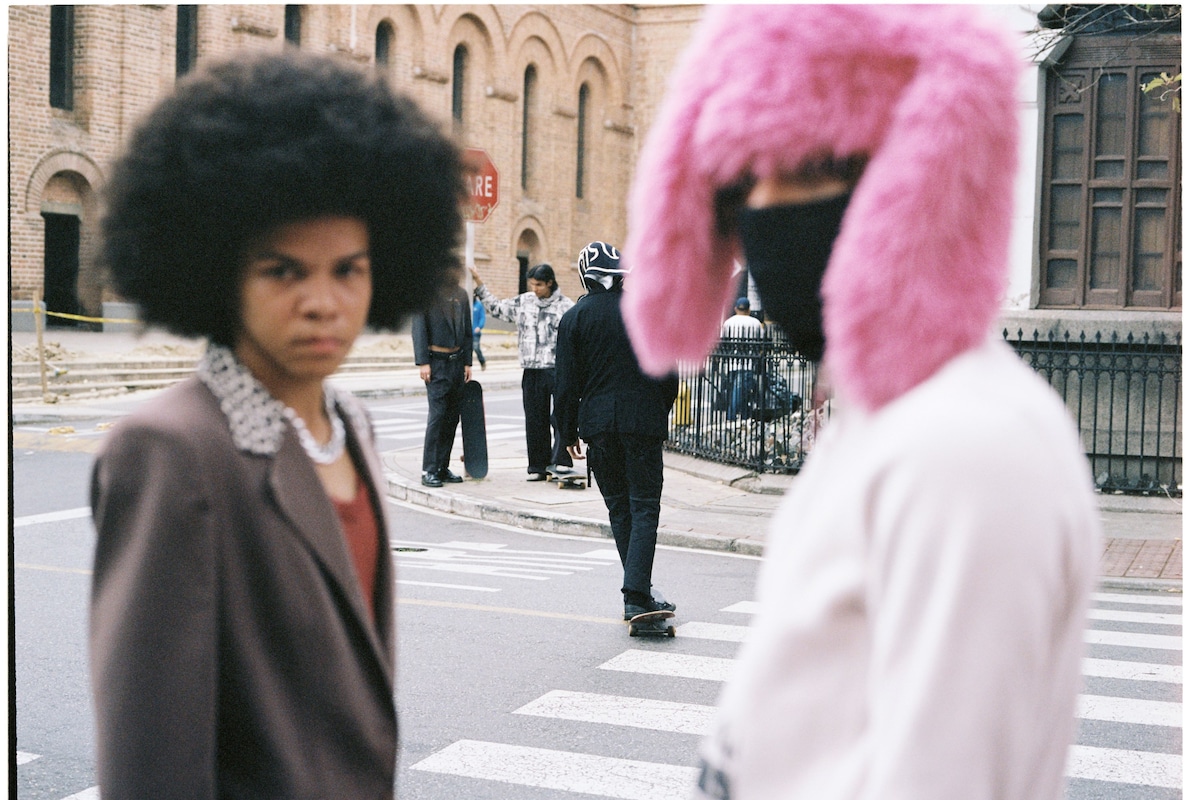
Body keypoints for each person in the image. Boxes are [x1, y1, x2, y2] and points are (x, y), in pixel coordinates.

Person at [621, 6, 1101, 799]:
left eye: (818, 167)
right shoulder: (892, 417)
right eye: (747, 182)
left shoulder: (966, 444)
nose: (771, 211)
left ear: (921, 173)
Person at [89, 50, 463, 799]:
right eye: (284, 271)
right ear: (219, 272)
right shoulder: (171, 449)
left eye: (348, 269)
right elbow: (150, 760)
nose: (323, 301)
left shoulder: (351, 422)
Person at [555, 242, 679, 620]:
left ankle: (638, 591)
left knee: (619, 510)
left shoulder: (573, 318)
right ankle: (636, 594)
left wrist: (566, 436)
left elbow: (565, 386)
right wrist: (659, 412)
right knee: (644, 509)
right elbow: (668, 373)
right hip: (642, 424)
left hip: (597, 429)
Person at [470, 262, 575, 480]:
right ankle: (538, 466)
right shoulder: (524, 302)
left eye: (539, 285)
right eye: (532, 284)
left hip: (558, 369)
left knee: (561, 417)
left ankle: (561, 461)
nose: (535, 289)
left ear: (550, 283)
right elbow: (496, 308)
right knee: (535, 419)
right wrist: (479, 284)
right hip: (532, 369)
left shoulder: (567, 307)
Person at [413, 281, 473, 487]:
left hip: (457, 363)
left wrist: (467, 362)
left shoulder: (461, 294)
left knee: (451, 418)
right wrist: (423, 362)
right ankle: (428, 469)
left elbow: (467, 331)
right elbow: (418, 327)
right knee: (437, 417)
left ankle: (442, 466)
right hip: (436, 364)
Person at [472, 296, 488, 369]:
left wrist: (479, 326)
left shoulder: (479, 305)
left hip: (475, 332)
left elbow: (482, 317)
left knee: (476, 348)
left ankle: (482, 361)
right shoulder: (467, 304)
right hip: (467, 333)